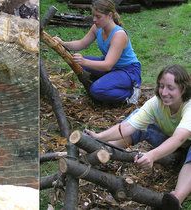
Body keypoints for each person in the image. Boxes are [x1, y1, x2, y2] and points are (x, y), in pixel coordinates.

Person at [84, 64, 191, 210]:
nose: (164, 92)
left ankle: (176, 199)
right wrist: (99, 136)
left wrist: (152, 155)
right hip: (172, 145)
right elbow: (128, 126)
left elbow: (179, 138)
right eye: (161, 86)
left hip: (185, 145)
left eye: (170, 87)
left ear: (183, 89)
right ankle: (103, 152)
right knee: (140, 122)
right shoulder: (156, 103)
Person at [54, 0, 141, 104]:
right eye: (93, 16)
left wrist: (84, 61)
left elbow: (107, 65)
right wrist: (63, 43)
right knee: (79, 63)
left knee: (96, 90)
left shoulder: (119, 35)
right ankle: (108, 83)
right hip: (113, 67)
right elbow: (82, 43)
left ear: (109, 15)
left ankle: (130, 93)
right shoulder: (97, 28)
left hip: (128, 71)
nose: (94, 20)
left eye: (98, 16)